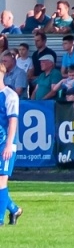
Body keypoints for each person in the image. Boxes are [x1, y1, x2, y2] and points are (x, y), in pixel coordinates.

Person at [0, 74, 18, 225]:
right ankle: (14, 209)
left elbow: (13, 121)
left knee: (1, 180)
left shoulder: (10, 95)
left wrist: (8, 145)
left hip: (5, 143)